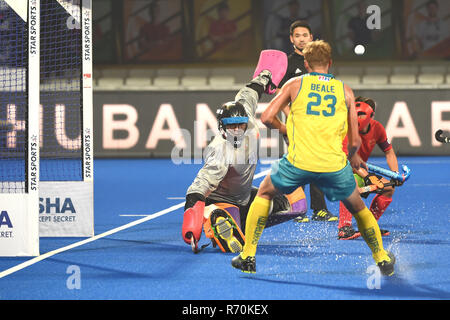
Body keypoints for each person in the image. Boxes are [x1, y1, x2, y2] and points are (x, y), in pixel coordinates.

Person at [231, 40, 396, 276]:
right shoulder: (345, 91)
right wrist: (353, 159)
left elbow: (267, 117)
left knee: (265, 192)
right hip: (334, 164)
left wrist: (286, 129)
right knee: (359, 209)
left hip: (298, 162)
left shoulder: (294, 84)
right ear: (329, 63)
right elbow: (355, 142)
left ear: (306, 64)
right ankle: (381, 257)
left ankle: (248, 256)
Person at [182, 66, 307, 254]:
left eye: (240, 124)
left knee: (297, 204)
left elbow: (248, 94)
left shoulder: (249, 123)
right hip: (219, 200)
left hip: (245, 198)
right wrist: (191, 223)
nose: (237, 130)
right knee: (226, 216)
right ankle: (212, 218)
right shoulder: (220, 151)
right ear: (221, 127)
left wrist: (264, 77)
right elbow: (199, 187)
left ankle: (239, 226)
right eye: (232, 126)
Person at [277, 20, 337, 223]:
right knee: (298, 163)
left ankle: (319, 209)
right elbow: (279, 94)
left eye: (305, 35)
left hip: (317, 124)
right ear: (291, 39)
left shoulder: (318, 61)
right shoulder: (286, 62)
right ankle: (295, 207)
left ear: (311, 37)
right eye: (297, 36)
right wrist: (289, 116)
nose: (301, 39)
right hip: (296, 123)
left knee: (318, 163)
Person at [337, 96, 402, 240]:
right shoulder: (346, 129)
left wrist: (395, 174)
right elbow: (349, 161)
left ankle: (368, 225)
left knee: (388, 188)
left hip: (360, 171)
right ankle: (344, 228)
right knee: (350, 184)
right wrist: (368, 177)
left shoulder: (377, 128)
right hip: (340, 170)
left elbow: (389, 151)